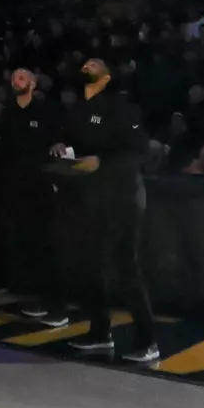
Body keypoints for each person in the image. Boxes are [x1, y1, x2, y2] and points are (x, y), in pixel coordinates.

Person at [48, 57, 157, 360]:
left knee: (125, 266)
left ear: (107, 77)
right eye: (83, 63)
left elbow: (140, 151)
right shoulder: (75, 111)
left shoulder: (120, 107)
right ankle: (100, 332)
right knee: (90, 264)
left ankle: (147, 339)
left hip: (123, 196)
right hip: (89, 197)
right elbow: (68, 142)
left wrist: (102, 161)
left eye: (94, 64)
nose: (85, 66)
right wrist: (59, 145)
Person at [0, 68, 59, 311]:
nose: (15, 81)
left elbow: (55, 139)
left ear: (32, 82)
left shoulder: (44, 111)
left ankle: (40, 299)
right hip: (4, 184)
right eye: (13, 78)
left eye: (21, 78)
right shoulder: (5, 112)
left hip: (33, 185)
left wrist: (57, 144)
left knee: (35, 243)